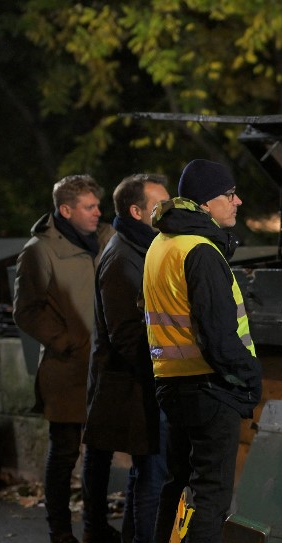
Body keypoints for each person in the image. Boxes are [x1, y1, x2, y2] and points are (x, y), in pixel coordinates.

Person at [144, 159, 262, 542]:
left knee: (178, 486)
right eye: (229, 194)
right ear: (207, 204)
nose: (238, 201)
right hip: (211, 388)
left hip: (173, 385)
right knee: (210, 497)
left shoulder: (161, 244)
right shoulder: (200, 250)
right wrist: (247, 380)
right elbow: (219, 335)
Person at [13, 174, 116, 543]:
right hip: (67, 367)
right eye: (90, 207)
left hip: (103, 366)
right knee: (65, 451)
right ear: (66, 210)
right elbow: (26, 310)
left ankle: (95, 525)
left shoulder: (106, 239)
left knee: (100, 451)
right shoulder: (39, 250)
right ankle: (59, 529)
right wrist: (66, 340)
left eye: (98, 206)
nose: (98, 213)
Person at [84, 174, 170, 543]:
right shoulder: (122, 257)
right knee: (151, 475)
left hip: (143, 386)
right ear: (136, 211)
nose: (169, 211)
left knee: (146, 474)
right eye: (160, 205)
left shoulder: (141, 248)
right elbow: (128, 335)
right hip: (138, 387)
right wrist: (166, 369)